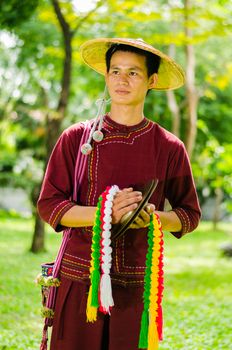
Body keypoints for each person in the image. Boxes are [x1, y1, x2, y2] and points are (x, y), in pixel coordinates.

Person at [37, 38, 201, 350]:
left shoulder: (169, 147)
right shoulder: (76, 138)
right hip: (78, 278)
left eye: (133, 73)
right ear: (106, 76)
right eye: (115, 71)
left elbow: (189, 216)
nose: (121, 80)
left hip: (138, 285)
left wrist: (150, 218)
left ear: (151, 81)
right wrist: (104, 213)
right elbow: (50, 205)